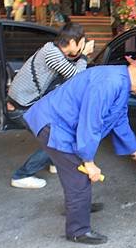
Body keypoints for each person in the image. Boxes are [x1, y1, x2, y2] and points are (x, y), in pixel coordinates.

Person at [23, 46, 136, 244]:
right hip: (53, 124)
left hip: (59, 121)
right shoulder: (109, 84)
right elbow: (90, 123)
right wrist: (88, 160)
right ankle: (78, 230)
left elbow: (119, 121)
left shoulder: (121, 82)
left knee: (74, 173)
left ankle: (77, 206)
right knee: (80, 175)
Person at [7, 23, 93, 189]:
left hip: (26, 104)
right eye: (81, 42)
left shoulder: (53, 50)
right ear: (73, 43)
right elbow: (76, 76)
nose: (83, 45)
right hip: (20, 110)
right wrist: (84, 56)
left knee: (59, 130)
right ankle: (22, 175)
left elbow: (68, 67)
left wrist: (79, 55)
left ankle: (54, 160)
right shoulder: (52, 54)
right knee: (57, 141)